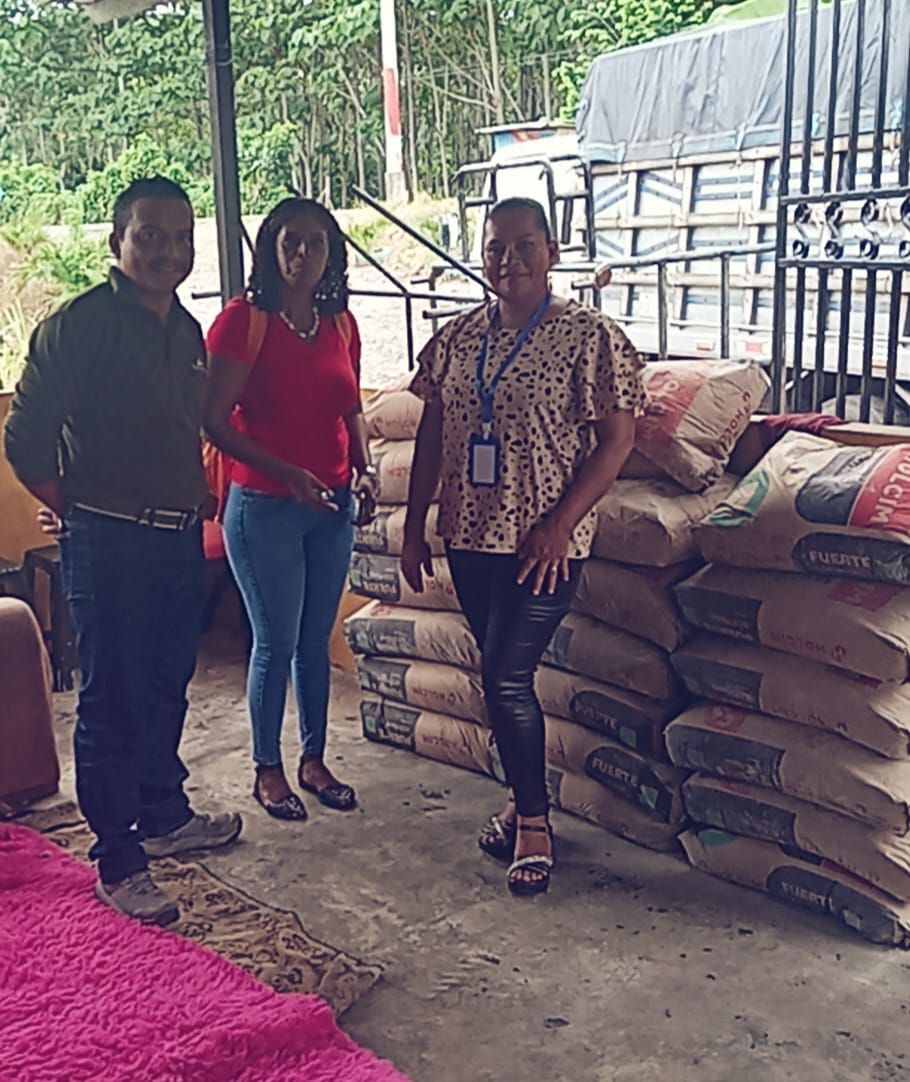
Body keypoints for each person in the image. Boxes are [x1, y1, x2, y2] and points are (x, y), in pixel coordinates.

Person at [4, 176, 242, 926]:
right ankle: (118, 858)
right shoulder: (79, 327)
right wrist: (76, 507)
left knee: (168, 682)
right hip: (109, 544)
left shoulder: (187, 330)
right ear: (117, 242)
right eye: (150, 235)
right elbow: (25, 440)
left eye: (181, 237)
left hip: (175, 538)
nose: (168, 251)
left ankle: (164, 814)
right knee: (111, 699)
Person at [401, 197, 646, 896]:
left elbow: (617, 441)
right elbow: (431, 434)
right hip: (470, 536)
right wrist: (415, 524)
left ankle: (534, 824)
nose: (508, 261)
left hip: (544, 546)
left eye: (524, 245)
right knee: (497, 676)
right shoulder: (456, 338)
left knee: (506, 675)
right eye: (495, 248)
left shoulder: (589, 336)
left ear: (552, 252)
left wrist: (561, 523)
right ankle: (519, 800)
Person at [203, 197, 377, 821]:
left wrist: (364, 467)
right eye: (291, 242)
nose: (304, 253)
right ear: (270, 250)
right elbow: (213, 422)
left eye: (317, 242)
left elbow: (351, 408)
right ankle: (267, 769)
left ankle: (314, 760)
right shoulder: (243, 322)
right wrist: (287, 475)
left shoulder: (340, 325)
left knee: (313, 639)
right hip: (264, 506)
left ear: (333, 254)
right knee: (275, 641)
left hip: (330, 506)